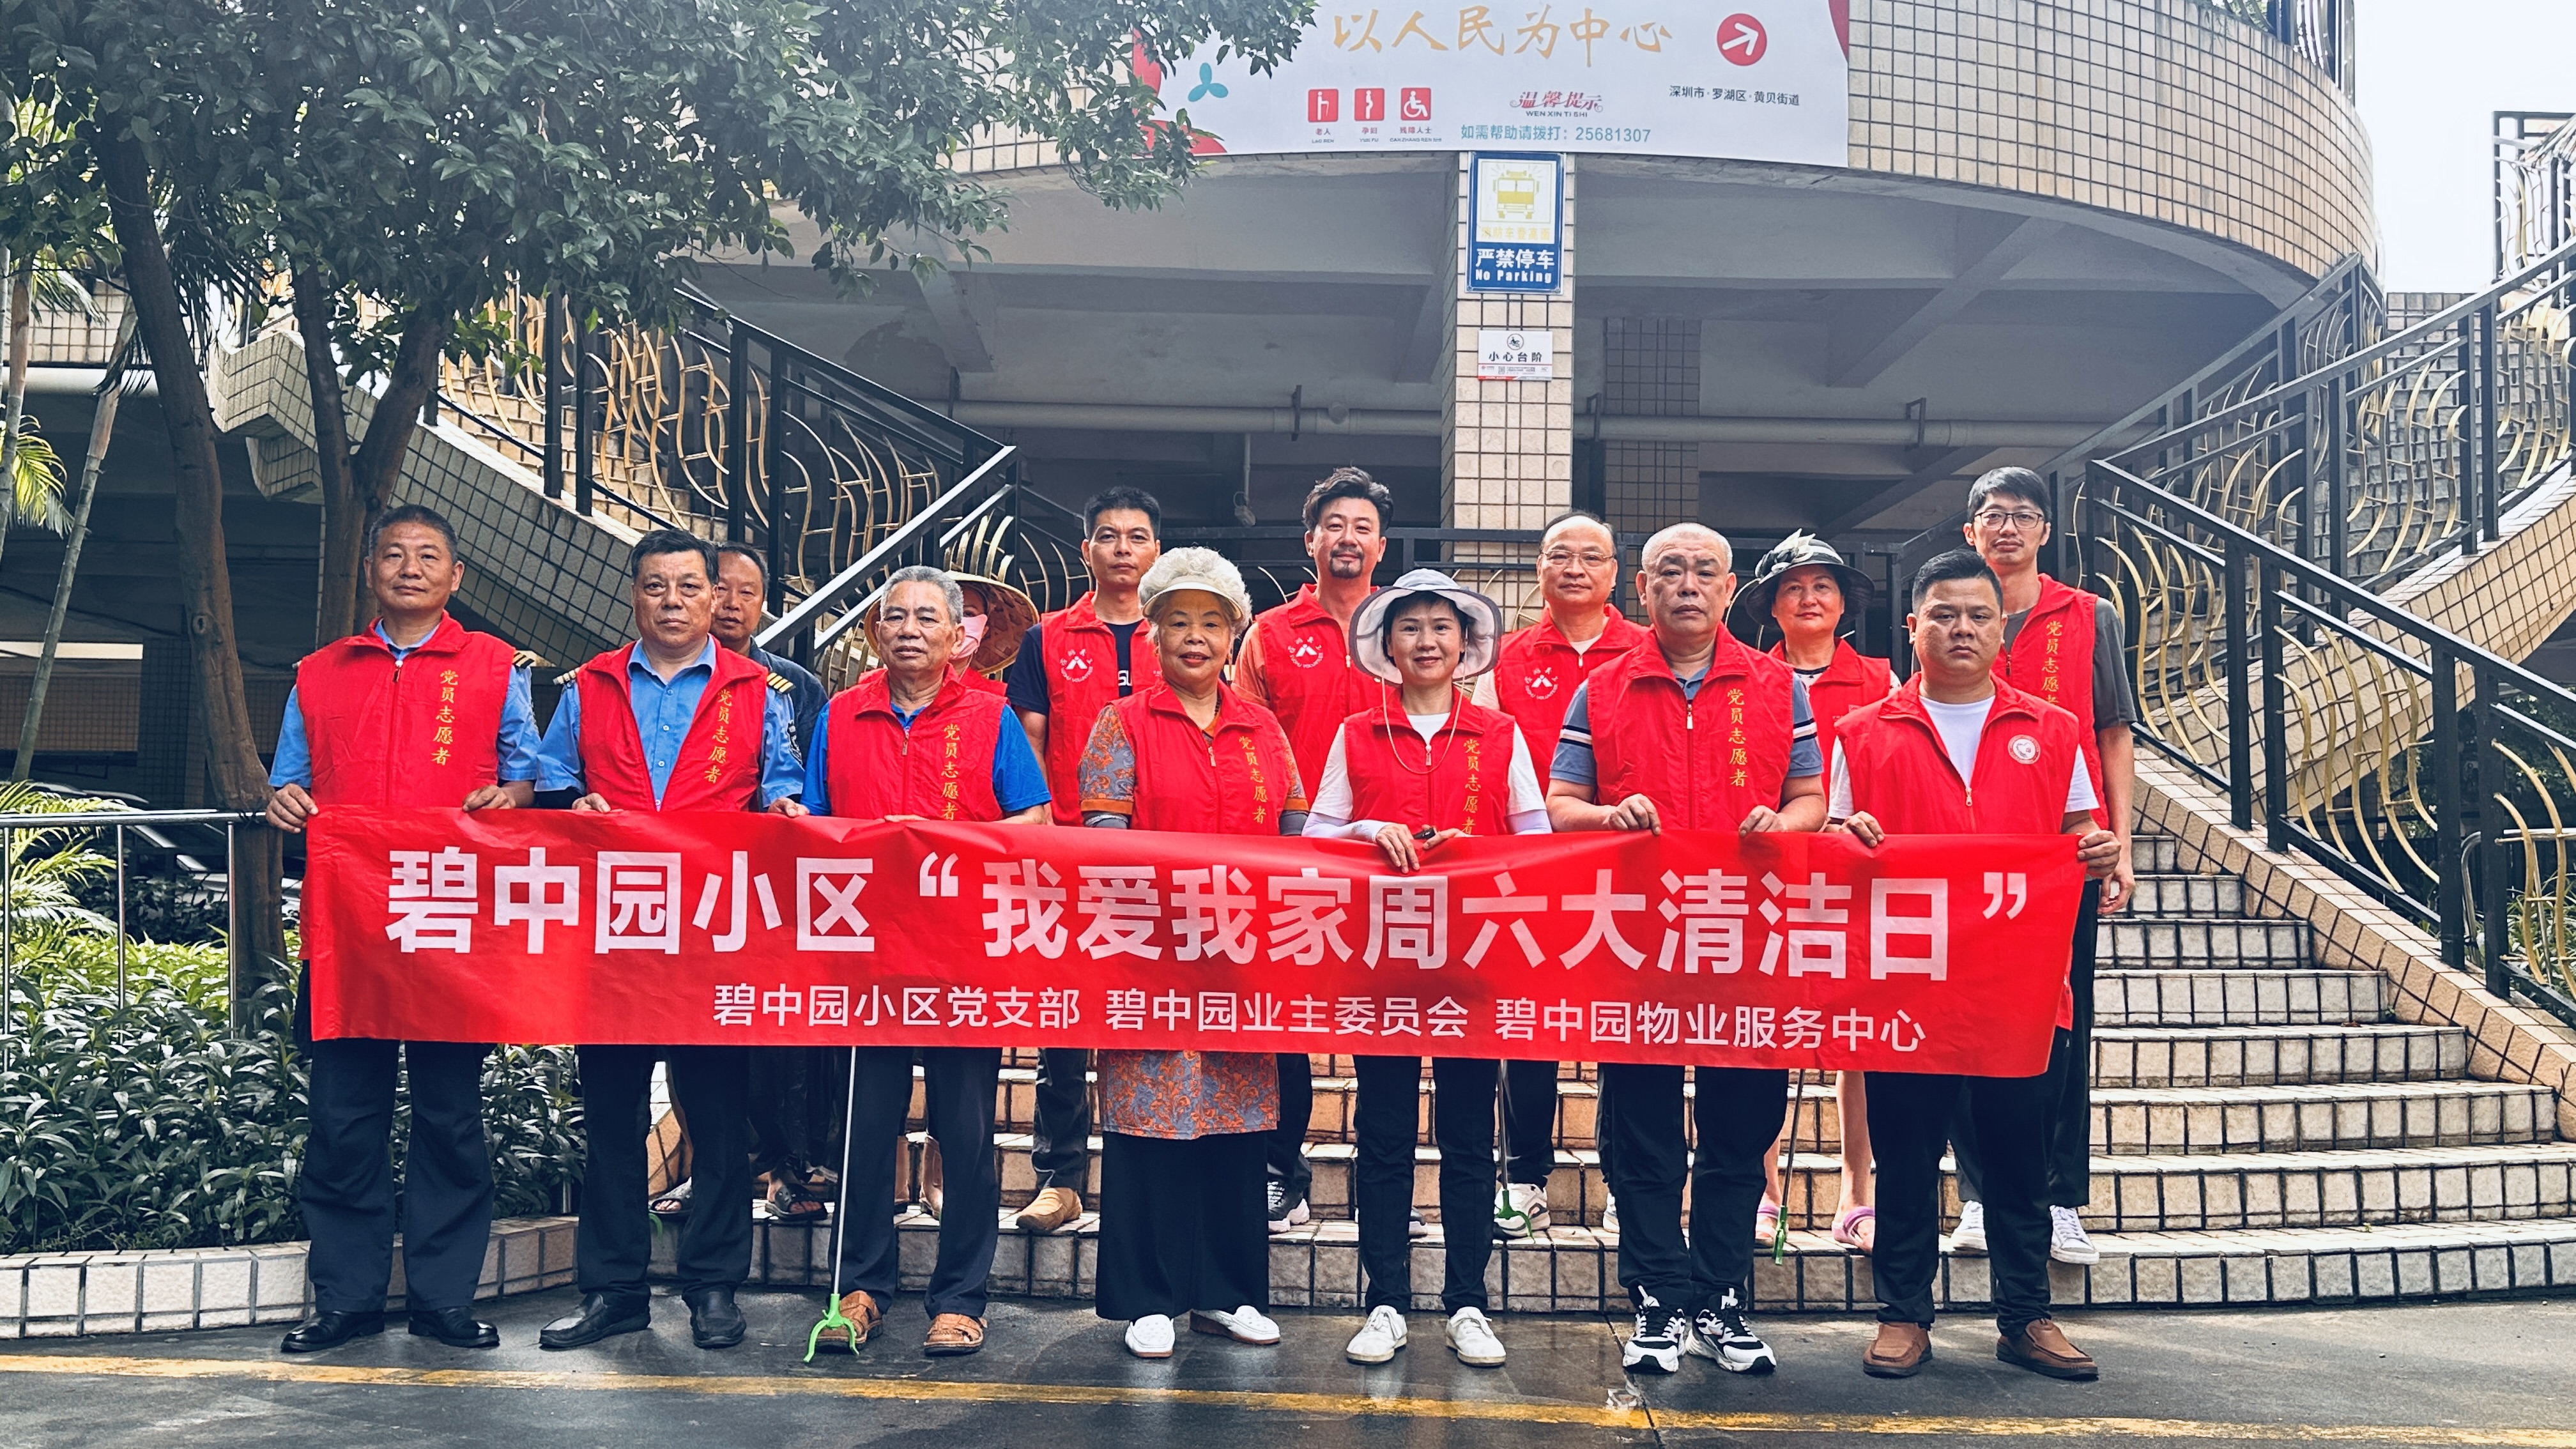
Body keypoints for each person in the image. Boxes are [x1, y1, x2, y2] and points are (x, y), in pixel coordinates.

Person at [1830, 548, 2120, 1381]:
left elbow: (2079, 831)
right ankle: (1903, 1316)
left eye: (1979, 616)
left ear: (2003, 630)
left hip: (2017, 987)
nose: (1962, 628)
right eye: (1945, 614)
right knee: (1907, 1156)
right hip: (1906, 986)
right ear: (1912, 626)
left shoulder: (2053, 730)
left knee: (2019, 1161)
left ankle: (2026, 1316)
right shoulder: (1863, 733)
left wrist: (2097, 850)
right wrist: (1845, 839)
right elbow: (1832, 839)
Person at [1545, 522, 1826, 1377]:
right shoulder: (1602, 687)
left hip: (1748, 939)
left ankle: (1721, 1298)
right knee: (1642, 1134)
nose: (1689, 584)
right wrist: (1607, 816)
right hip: (1636, 944)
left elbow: (1811, 797)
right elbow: (1561, 803)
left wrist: (1784, 823)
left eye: (1706, 571)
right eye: (1671, 571)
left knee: (1741, 1128)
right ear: (1642, 588)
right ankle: (1658, 1299)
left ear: (1731, 588)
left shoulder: (1779, 687)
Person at [266, 505, 539, 1354]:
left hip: (450, 921)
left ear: (456, 577)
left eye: (428, 556)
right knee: (343, 1117)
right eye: (393, 554)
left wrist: (512, 796)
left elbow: (529, 778)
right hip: (349, 931)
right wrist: (284, 802)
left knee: (450, 1115)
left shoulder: (497, 667)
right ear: (370, 572)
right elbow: (289, 782)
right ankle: (345, 1300)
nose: (409, 568)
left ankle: (443, 1300)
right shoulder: (319, 674)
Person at [531, 529, 806, 1353]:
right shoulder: (589, 687)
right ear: (635, 595)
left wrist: (785, 810)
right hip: (614, 932)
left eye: (690, 586)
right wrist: (572, 804)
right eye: (657, 586)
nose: (674, 602)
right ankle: (614, 1291)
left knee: (718, 1121)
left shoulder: (759, 691)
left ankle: (713, 1287)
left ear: (716, 598)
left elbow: (784, 785)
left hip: (715, 933)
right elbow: (551, 779)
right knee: (611, 1118)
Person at [790, 565, 1052, 1358]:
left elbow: (1035, 821)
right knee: (863, 1130)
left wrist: (941, 842)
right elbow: (816, 822)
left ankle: (962, 1297)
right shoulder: (842, 713)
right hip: (865, 959)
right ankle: (861, 1289)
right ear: (875, 632)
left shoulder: (992, 715)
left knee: (964, 1133)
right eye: (894, 616)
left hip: (961, 958)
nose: (909, 629)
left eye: (927, 618)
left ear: (956, 636)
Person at [1303, 569, 1544, 1370]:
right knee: (1383, 1135)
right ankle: (1385, 1301)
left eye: (1443, 626)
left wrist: (1481, 852)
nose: (1428, 641)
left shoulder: (1501, 734)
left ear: (1466, 644)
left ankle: (1468, 1302)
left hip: (1475, 963)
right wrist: (1367, 829)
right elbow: (1316, 837)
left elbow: (1537, 841)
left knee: (1471, 1138)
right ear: (1389, 644)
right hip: (1384, 962)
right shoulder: (1355, 733)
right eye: (1411, 627)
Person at [1077, 548, 1304, 1361]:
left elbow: (1296, 832)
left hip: (1242, 961)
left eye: (1212, 622)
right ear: (1154, 633)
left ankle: (1226, 1293)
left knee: (1235, 1132)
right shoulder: (1124, 721)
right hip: (1151, 955)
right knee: (1150, 1127)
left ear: (1234, 634)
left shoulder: (1263, 727)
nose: (1196, 637)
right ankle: (1148, 1299)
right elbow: (1103, 833)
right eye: (1179, 622)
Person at [1947, 468, 2137, 1269]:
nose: (2007, 528)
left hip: (2062, 858)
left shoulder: (2089, 615)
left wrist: (2120, 843)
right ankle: (1979, 1195)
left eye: (2023, 516)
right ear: (1970, 532)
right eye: (1993, 515)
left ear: (2045, 532)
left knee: (2062, 1025)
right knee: (1965, 1025)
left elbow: (2114, 731)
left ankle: (2058, 1198)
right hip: (1967, 857)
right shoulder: (1953, 611)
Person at [1471, 511, 1650, 1241]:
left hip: (1630, 871)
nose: (1575, 568)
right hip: (1532, 869)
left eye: (1591, 557)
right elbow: (1483, 757)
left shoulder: (1647, 652)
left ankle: (1627, 1185)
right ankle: (1524, 1180)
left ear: (1616, 574)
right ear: (1539, 569)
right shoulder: (1505, 659)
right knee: (1529, 1026)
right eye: (1560, 555)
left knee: (1626, 1030)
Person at [1235, 467, 1392, 1233]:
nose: (1347, 538)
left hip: (1390, 859)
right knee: (1286, 1024)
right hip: (1294, 856)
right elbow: (1246, 741)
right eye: (1334, 525)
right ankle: (1280, 1172)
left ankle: (1385, 1187)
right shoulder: (1269, 633)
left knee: (1384, 1027)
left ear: (1381, 547)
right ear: (1310, 541)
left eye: (1362, 527)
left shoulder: (1404, 628)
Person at [1729, 532, 1894, 1255]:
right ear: (1770, 606)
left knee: (1857, 1037)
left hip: (1856, 876)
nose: (1808, 598)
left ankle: (1857, 1195)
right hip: (1766, 874)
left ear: (1843, 602)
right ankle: (1762, 1192)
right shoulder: (1746, 680)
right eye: (1792, 588)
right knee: (1764, 1031)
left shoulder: (1883, 679)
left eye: (1822, 586)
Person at [1004, 486, 1162, 1234]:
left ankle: (1143, 1173)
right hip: (1068, 853)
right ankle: (1059, 1178)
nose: (1123, 548)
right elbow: (1030, 740)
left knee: (1146, 1022)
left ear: (1156, 550)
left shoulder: (1179, 631)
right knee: (1063, 1021)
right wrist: (1042, 832)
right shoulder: (1046, 636)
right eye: (1109, 536)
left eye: (1136, 536)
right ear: (1086, 550)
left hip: (1159, 861)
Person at [711, 542, 838, 1223]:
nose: (730, 604)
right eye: (719, 588)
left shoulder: (793, 686)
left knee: (779, 1035)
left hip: (772, 886)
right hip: (692, 885)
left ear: (764, 604)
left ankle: (790, 1170)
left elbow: (808, 784)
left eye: (747, 593)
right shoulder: (663, 677)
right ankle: (714, 1170)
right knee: (699, 1033)